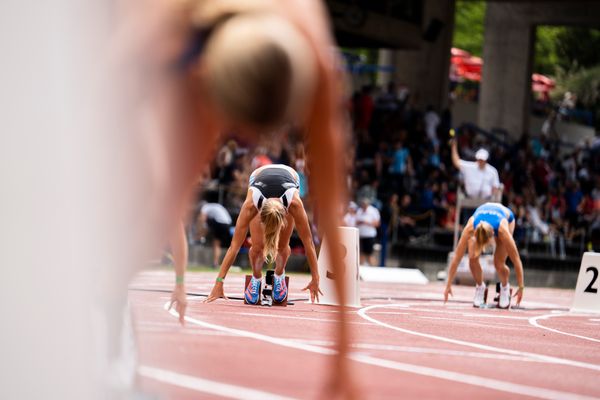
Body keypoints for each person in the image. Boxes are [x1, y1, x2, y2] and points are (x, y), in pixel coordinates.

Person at [111, 0, 354, 397]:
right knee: (157, 205)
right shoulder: (164, 34)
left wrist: (342, 363)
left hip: (238, 62)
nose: (247, 140)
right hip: (190, 46)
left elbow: (327, 214)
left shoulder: (317, 64)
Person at [205, 164, 321, 304]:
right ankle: (256, 278)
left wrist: (315, 279)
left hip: (289, 177)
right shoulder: (251, 205)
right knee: (257, 246)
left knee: (283, 245)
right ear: (259, 214)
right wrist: (219, 283)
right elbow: (234, 247)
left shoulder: (294, 203)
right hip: (258, 178)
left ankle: (279, 275)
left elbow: (308, 243)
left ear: (284, 217)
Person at [444, 202, 525, 309]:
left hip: (506, 217)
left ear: (491, 239)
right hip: (484, 212)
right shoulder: (470, 228)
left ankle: (504, 287)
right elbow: (457, 258)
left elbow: (516, 260)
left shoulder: (502, 230)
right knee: (472, 257)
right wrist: (448, 285)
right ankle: (480, 287)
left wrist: (521, 287)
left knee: (499, 263)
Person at [199, 202, 233, 268]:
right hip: (228, 223)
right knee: (228, 245)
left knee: (216, 244)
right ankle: (227, 264)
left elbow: (202, 219)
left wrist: (201, 232)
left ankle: (215, 263)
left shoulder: (205, 207)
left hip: (220, 223)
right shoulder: (215, 206)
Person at [356, 197, 381, 266]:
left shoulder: (373, 211)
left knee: (369, 254)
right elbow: (356, 221)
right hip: (361, 235)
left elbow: (377, 223)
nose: (363, 205)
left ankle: (374, 268)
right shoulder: (359, 210)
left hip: (369, 235)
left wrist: (366, 222)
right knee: (361, 254)